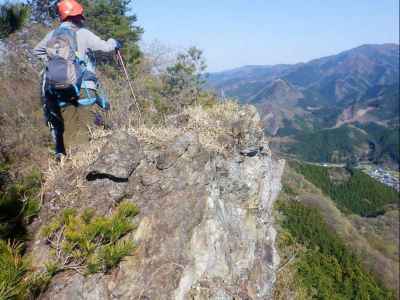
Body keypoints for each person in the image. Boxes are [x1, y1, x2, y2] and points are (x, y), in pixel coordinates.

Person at [33, 0, 121, 161]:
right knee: (86, 128)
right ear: (77, 16)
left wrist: (52, 63)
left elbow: (36, 51)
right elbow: (105, 47)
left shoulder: (52, 35)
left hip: (60, 88)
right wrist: (114, 43)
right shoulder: (83, 33)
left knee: (70, 131)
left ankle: (72, 166)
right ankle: (85, 167)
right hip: (84, 88)